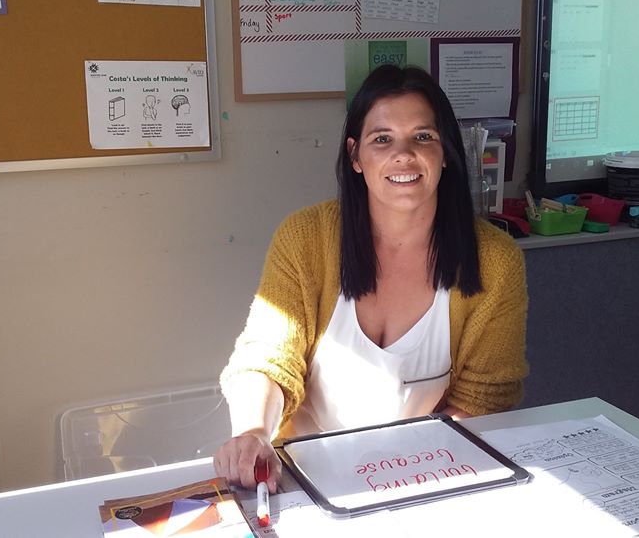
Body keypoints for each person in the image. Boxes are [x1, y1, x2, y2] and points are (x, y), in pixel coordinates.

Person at [213, 65, 528, 493]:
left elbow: (484, 400)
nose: (403, 154)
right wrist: (253, 432)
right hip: (299, 481)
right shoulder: (306, 238)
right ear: (355, 155)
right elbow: (267, 358)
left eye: (423, 137)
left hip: (428, 476)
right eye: (382, 139)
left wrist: (408, 479)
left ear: (445, 153)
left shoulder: (495, 260)